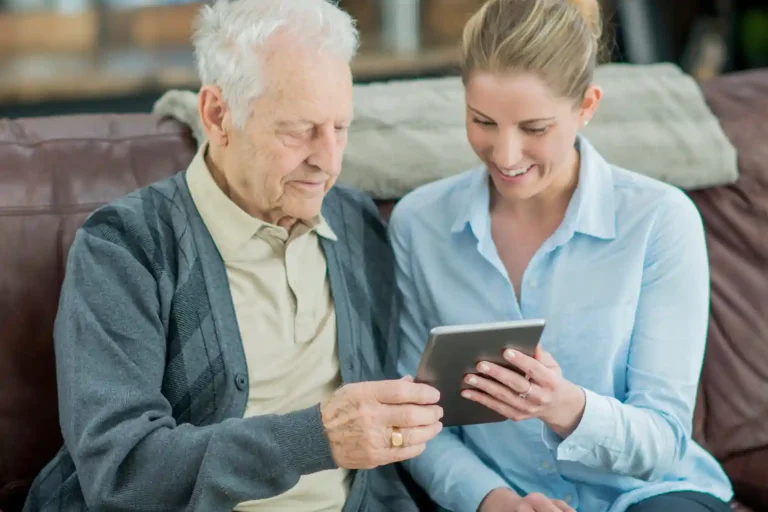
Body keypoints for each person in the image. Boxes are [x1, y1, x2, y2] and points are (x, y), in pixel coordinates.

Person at [23, 1, 445, 510]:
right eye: (299, 130)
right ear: (218, 115)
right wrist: (318, 438)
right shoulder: (125, 247)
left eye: (341, 128)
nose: (328, 161)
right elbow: (121, 470)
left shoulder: (355, 223)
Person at [390, 0, 735, 511]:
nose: (506, 157)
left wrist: (563, 406)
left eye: (534, 129)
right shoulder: (420, 225)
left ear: (586, 107)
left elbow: (663, 441)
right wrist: (492, 501)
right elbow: (418, 418)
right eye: (483, 121)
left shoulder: (659, 220)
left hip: (649, 495)